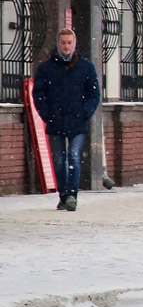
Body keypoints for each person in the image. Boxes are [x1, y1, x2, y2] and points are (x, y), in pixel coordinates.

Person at [33, 28, 101, 212]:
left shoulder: (85, 67)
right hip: (55, 120)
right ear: (58, 43)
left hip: (77, 120)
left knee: (73, 156)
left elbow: (94, 93)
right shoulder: (46, 68)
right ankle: (63, 195)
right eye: (63, 42)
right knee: (59, 160)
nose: (66, 46)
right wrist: (46, 114)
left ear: (74, 44)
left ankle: (72, 194)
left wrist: (85, 112)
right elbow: (38, 94)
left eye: (69, 42)